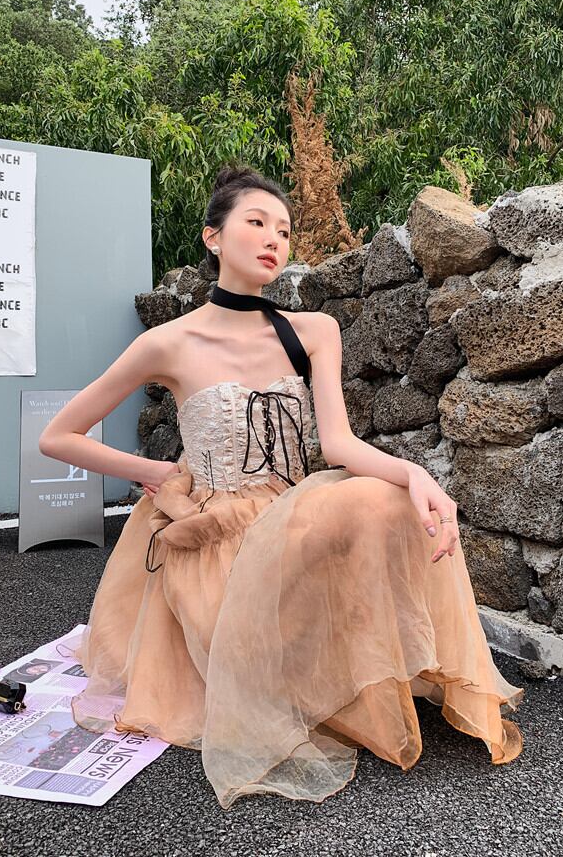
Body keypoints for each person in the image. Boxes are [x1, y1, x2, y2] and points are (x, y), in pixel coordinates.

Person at [39, 164, 525, 810]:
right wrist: (154, 473)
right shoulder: (166, 343)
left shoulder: (313, 331)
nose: (274, 238)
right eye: (256, 222)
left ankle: (410, 658)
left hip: (292, 516)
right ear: (214, 237)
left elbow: (339, 446)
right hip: (215, 536)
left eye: (285, 230)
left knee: (385, 499)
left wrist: (417, 475)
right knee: (267, 687)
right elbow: (58, 436)